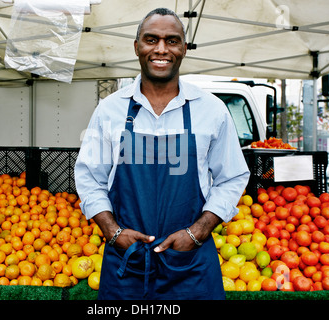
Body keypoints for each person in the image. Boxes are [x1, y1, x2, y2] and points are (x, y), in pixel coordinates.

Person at [74, 7, 250, 300]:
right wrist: (113, 232)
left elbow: (232, 178)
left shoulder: (211, 109)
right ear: (137, 47)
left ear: (183, 48)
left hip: (190, 267)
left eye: (171, 40)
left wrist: (198, 232)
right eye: (151, 39)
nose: (161, 49)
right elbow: (89, 177)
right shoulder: (110, 109)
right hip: (127, 265)